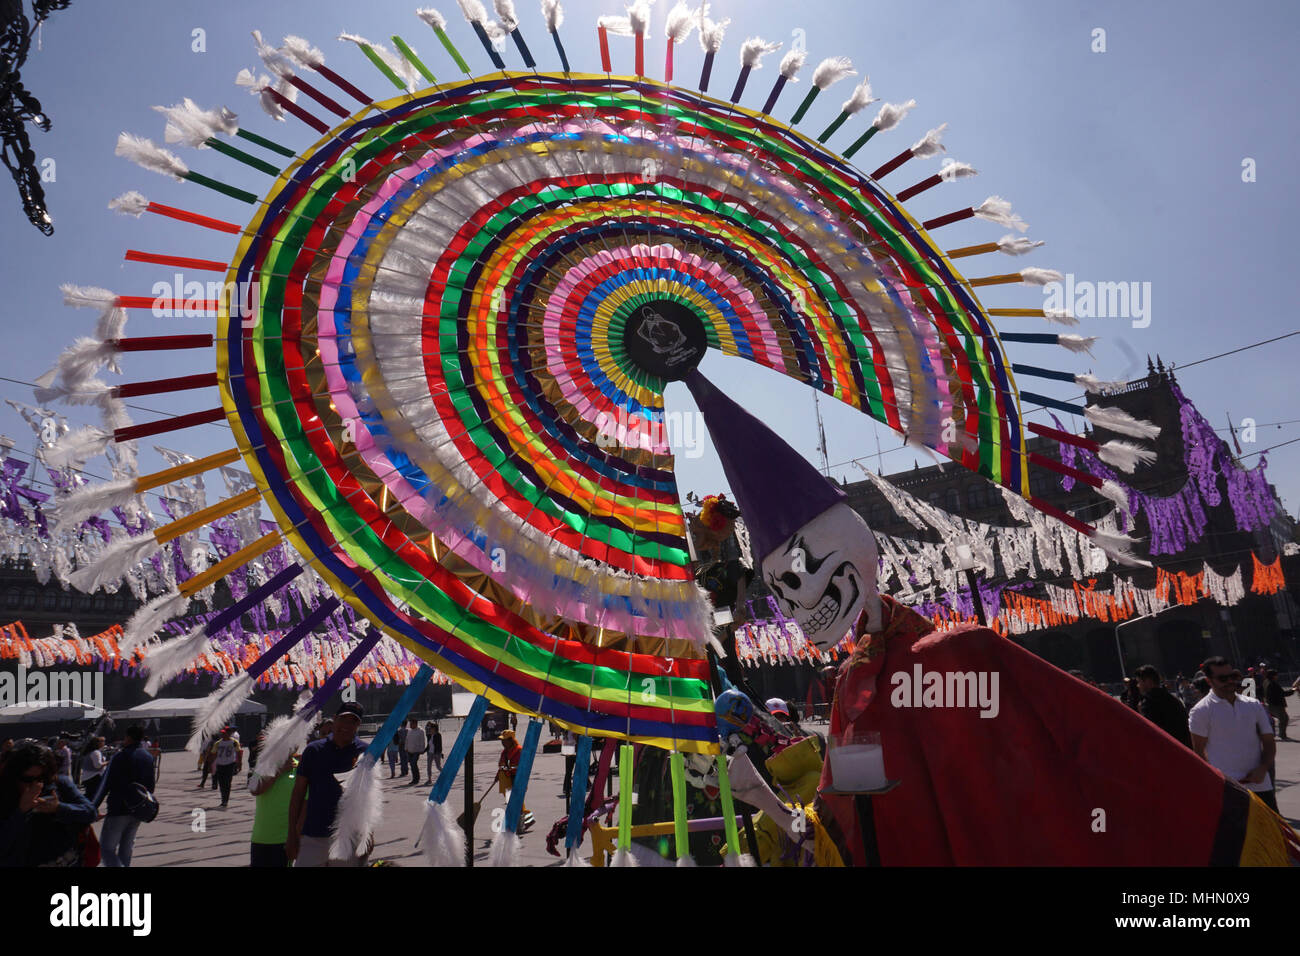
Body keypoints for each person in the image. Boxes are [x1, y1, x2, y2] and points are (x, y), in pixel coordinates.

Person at [1189, 658, 1279, 812]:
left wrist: (1263, 768)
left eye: (1232, 676)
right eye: (1223, 678)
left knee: (1273, 835)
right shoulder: (1201, 711)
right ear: (1209, 681)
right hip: (1228, 792)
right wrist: (1216, 782)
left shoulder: (1253, 705)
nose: (1230, 681)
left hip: (1261, 785)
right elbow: (1199, 753)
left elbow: (1269, 742)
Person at [288, 703, 368, 867]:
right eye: (343, 719)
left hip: (349, 837)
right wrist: (291, 834)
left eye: (352, 721)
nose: (346, 726)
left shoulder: (365, 752)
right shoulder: (313, 750)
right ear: (335, 719)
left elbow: (369, 797)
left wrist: (369, 834)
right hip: (314, 834)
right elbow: (298, 793)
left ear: (358, 725)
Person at [92, 725, 156, 867]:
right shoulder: (148, 757)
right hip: (138, 809)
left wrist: (92, 807)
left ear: (128, 737)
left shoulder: (119, 757)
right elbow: (151, 787)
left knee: (106, 848)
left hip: (118, 808)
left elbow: (105, 784)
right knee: (126, 849)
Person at [249, 745, 296, 868]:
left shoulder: (300, 768)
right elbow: (254, 790)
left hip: (284, 839)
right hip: (260, 837)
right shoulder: (264, 765)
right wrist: (279, 771)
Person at [1135, 665, 1191, 748]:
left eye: (1139, 682)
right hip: (1184, 747)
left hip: (1166, 748)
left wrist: (1142, 715)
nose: (1138, 685)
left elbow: (1151, 732)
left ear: (1148, 681)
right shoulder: (1173, 699)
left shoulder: (1149, 702)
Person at [496, 730, 534, 832]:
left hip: (518, 779)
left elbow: (525, 766)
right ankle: (525, 821)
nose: (502, 743)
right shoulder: (504, 753)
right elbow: (502, 765)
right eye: (502, 741)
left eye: (504, 741)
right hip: (507, 780)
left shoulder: (520, 751)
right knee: (512, 802)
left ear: (511, 740)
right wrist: (498, 775)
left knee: (517, 802)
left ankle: (520, 824)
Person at [212, 727, 243, 808]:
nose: (222, 734)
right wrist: (211, 765)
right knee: (221, 783)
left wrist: (239, 764)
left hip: (230, 764)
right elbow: (213, 754)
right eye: (222, 733)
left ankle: (226, 800)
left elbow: (238, 752)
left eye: (224, 733)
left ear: (229, 733)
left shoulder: (234, 742)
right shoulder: (218, 743)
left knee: (227, 783)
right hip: (220, 765)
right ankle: (223, 799)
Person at [1262, 669, 1291, 740]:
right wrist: (1292, 691)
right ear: (1273, 676)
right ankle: (1282, 735)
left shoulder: (1265, 682)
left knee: (1283, 719)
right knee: (1283, 719)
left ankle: (1279, 734)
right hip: (1276, 705)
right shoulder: (1273, 684)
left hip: (1270, 704)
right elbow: (1282, 693)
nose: (1277, 676)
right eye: (1276, 675)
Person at [404, 718, 426, 786]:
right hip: (409, 750)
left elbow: (423, 741)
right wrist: (406, 748)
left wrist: (422, 750)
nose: (410, 725)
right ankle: (415, 778)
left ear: (415, 724)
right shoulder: (409, 731)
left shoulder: (421, 731)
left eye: (411, 724)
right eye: (410, 724)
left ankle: (416, 779)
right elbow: (407, 740)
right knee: (412, 765)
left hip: (417, 750)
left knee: (413, 764)